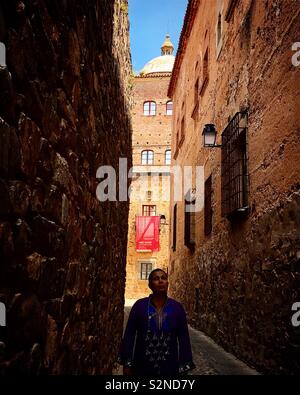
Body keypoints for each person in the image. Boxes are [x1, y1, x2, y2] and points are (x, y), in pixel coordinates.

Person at [119, 268, 195, 375]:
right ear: (150, 285)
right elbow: (129, 336)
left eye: (163, 278)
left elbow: (184, 339)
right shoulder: (139, 306)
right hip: (142, 366)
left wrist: (184, 366)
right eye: (156, 278)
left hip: (170, 367)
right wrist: (127, 364)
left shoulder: (177, 308)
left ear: (167, 283)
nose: (160, 281)